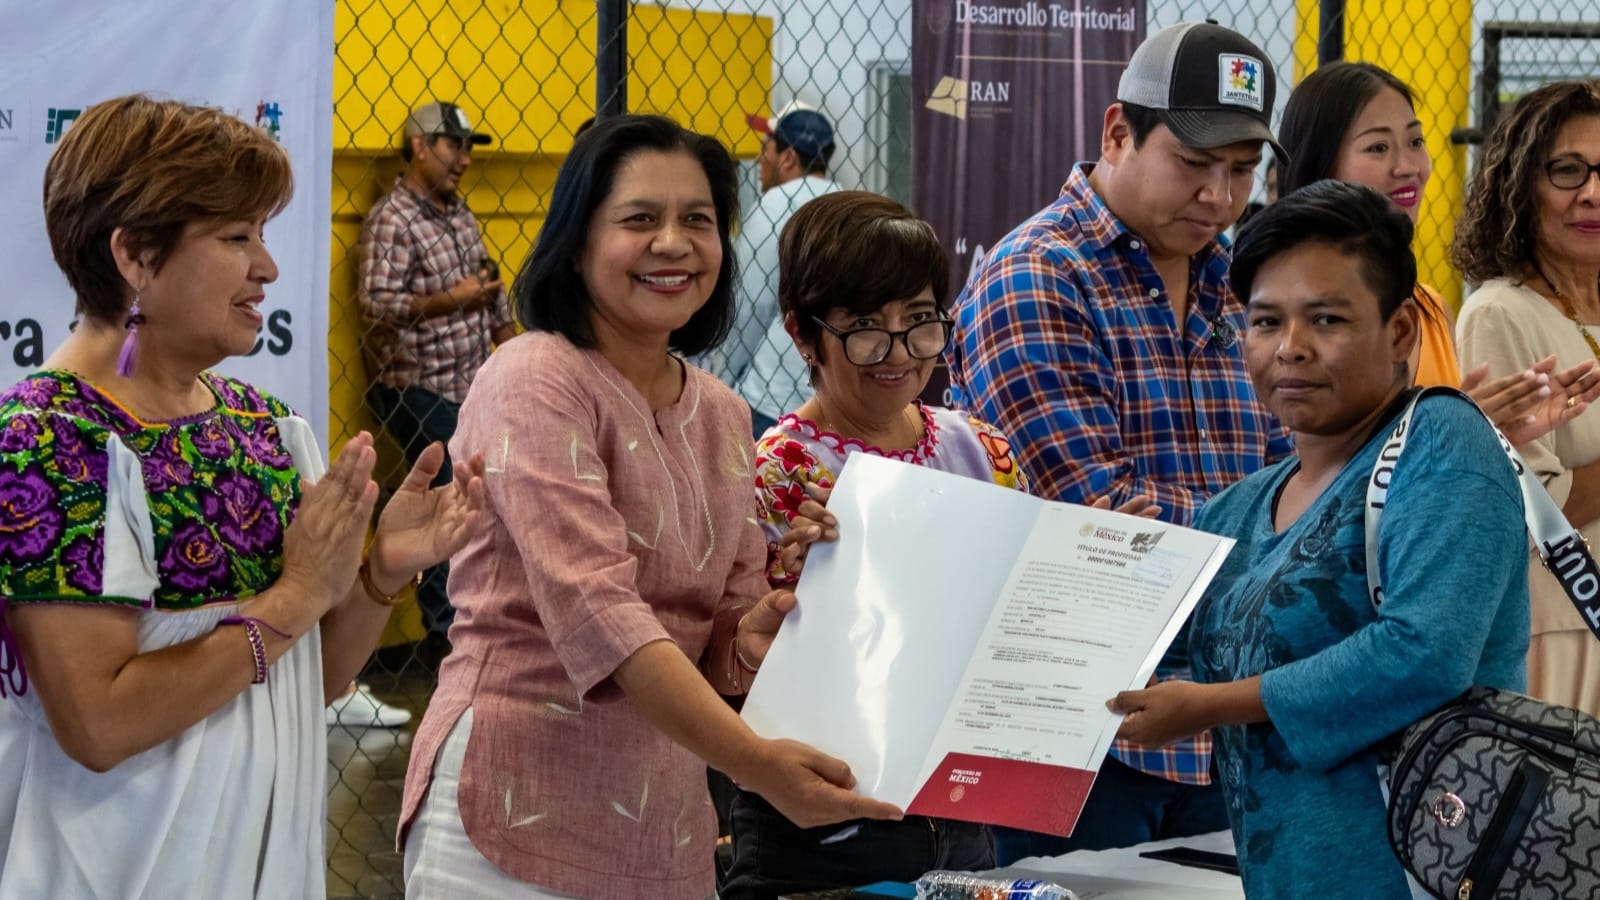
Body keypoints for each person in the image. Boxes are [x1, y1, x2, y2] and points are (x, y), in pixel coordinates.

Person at [398, 115, 900, 900]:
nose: (674, 243)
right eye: (640, 219)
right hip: (512, 817)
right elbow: (600, 611)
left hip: (665, 830)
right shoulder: (533, 377)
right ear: (576, 242)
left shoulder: (725, 413)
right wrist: (759, 766)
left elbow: (722, 622)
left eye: (697, 221)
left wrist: (767, 624)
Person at [0, 94, 483, 898]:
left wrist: (378, 576)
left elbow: (309, 680)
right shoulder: (50, 441)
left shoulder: (266, 430)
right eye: (236, 237)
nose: (267, 267)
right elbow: (100, 723)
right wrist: (296, 594)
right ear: (136, 257)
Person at [1110, 179, 1530, 898]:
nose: (1291, 350)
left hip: (1421, 878)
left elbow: (1425, 653)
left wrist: (1210, 707)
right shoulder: (1235, 510)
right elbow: (1159, 655)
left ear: (1399, 331)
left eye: (1327, 320)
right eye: (1266, 323)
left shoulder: (1442, 443)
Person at [949, 21, 1290, 860]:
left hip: (1228, 728)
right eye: (1193, 163)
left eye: (1241, 171)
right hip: (1075, 734)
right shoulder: (1036, 277)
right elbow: (1095, 528)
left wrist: (1224, 527)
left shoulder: (1243, 288)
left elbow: (1312, 480)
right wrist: (1279, 530)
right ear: (1115, 133)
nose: (1218, 195)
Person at [719, 192, 1025, 896]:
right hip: (823, 815)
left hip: (961, 803)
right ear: (802, 334)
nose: (898, 353)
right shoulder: (774, 473)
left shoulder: (982, 450)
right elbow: (737, 665)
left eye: (919, 322)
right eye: (864, 328)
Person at [1278, 61, 1598, 441]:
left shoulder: (1429, 310)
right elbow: (1303, 475)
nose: (1408, 167)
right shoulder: (1282, 312)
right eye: (1378, 147)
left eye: (1415, 142)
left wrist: (1485, 438)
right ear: (1320, 163)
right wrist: (1450, 433)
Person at [1454, 79, 1600, 718]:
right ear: (1518, 184)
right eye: (1567, 171)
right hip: (1567, 624)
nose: (1593, 192)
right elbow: (1539, 510)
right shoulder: (1499, 313)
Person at [360, 99, 515, 654]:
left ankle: (486, 614)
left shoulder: (459, 215)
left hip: (471, 385)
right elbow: (376, 304)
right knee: (453, 479)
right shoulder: (393, 220)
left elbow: (490, 293)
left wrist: (515, 355)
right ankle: (444, 636)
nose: (465, 160)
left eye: (469, 148)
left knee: (498, 477)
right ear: (420, 145)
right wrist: (451, 300)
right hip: (415, 385)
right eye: (454, 145)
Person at [707, 102, 842, 437]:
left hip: (772, 401)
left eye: (766, 147)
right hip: (832, 399)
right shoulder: (849, 203)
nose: (759, 159)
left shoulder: (776, 205)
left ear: (788, 157)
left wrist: (719, 384)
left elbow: (749, 304)